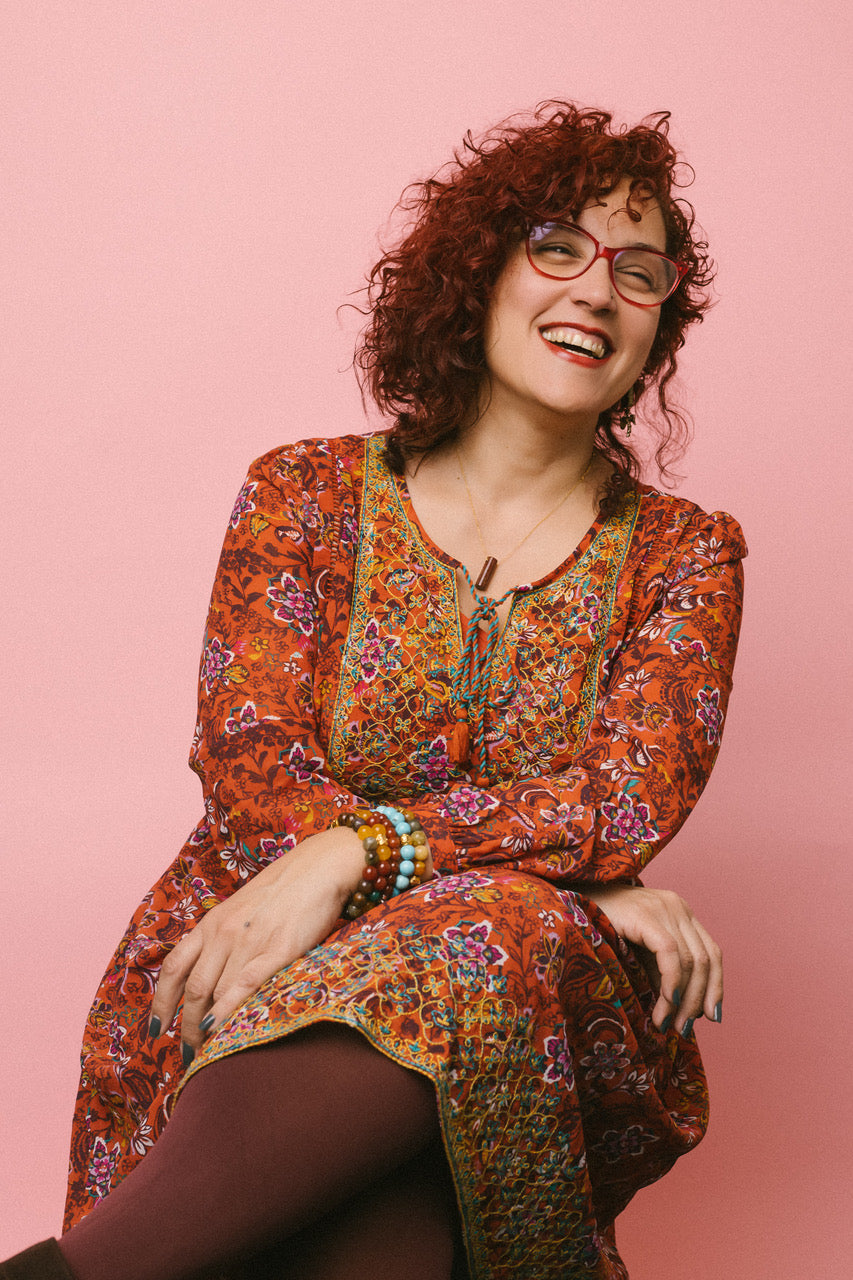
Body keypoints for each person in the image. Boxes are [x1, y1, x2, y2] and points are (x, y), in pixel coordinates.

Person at [3, 102, 745, 1280]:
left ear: (658, 332)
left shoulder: (686, 554)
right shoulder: (300, 494)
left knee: (502, 927)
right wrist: (580, 881)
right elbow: (251, 768)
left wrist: (362, 856)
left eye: (638, 272)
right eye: (558, 248)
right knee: (394, 1193)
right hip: (252, 961)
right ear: (478, 272)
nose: (597, 292)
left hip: (522, 1011)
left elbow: (626, 795)